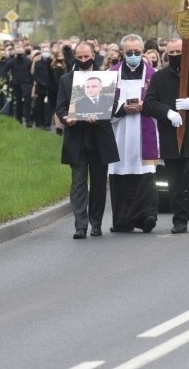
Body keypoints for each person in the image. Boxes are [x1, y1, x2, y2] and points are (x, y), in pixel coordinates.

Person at [143, 38, 189, 233]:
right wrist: (167, 112)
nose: (176, 56)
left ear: (188, 53)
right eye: (172, 53)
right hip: (170, 137)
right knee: (174, 181)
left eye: (179, 52)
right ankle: (179, 220)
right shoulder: (159, 78)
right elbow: (150, 104)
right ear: (166, 55)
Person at [55, 42, 119, 240]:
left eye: (86, 56)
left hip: (100, 138)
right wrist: (67, 119)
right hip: (77, 139)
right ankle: (80, 226)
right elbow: (60, 107)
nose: (83, 60)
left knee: (99, 184)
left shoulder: (105, 78)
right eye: (79, 57)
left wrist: (99, 116)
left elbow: (113, 105)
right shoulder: (66, 80)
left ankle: (96, 223)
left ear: (94, 54)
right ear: (75, 56)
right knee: (78, 184)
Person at [107, 34, 160, 233]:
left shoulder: (153, 75)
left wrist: (144, 105)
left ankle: (146, 216)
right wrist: (121, 109)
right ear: (122, 53)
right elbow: (103, 104)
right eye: (129, 52)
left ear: (143, 52)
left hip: (143, 131)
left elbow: (160, 103)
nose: (133, 56)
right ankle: (122, 220)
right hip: (119, 131)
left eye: (137, 52)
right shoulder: (111, 75)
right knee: (120, 173)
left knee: (144, 174)